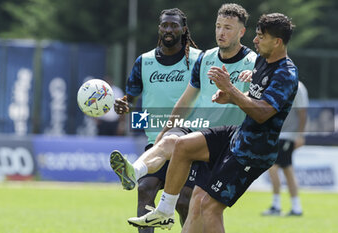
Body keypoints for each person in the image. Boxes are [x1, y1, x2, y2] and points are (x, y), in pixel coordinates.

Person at [126, 13, 298, 233]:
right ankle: (164, 210)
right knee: (183, 148)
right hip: (236, 135)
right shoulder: (262, 60)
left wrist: (230, 89)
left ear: (277, 42)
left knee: (208, 207)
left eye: (261, 36)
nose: (255, 40)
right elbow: (251, 98)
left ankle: (162, 204)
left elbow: (263, 113)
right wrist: (229, 96)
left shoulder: (286, 73)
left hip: (253, 150)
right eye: (256, 35)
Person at [110, 3, 256, 230]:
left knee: (199, 205)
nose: (221, 32)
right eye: (218, 26)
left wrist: (234, 92)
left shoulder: (251, 63)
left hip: (226, 142)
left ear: (241, 32)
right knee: (151, 181)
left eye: (227, 28)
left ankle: (165, 207)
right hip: (195, 133)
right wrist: (162, 131)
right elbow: (185, 102)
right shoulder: (204, 59)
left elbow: (261, 102)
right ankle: (134, 172)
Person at [111, 8, 201, 233]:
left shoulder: (198, 60)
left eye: (174, 25)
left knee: (184, 200)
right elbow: (129, 100)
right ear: (159, 28)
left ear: (184, 29)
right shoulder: (144, 61)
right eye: (165, 25)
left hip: (191, 141)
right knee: (145, 188)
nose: (169, 29)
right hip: (158, 142)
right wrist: (123, 106)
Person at [262, 81, 308, 216]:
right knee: (288, 170)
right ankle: (296, 207)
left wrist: (300, 136)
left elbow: (303, 112)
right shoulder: (280, 84)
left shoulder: (297, 87)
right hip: (279, 134)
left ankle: (276, 206)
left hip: (287, 135)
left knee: (273, 167)